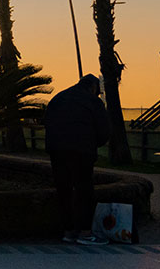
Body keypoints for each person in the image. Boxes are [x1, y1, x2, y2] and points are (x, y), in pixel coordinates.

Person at [44, 74, 111, 245]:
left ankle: (68, 232)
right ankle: (86, 233)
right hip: (82, 151)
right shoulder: (93, 101)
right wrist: (94, 143)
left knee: (63, 190)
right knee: (84, 191)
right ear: (93, 87)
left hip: (56, 150)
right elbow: (104, 131)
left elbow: (47, 122)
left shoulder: (58, 98)